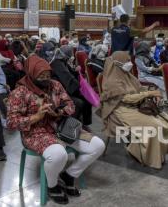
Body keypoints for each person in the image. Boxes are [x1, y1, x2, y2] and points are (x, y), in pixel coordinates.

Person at [7, 55, 105, 204]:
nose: (46, 78)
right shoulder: (20, 92)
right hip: (35, 132)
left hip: (62, 127)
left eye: (48, 74)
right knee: (59, 155)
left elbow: (70, 105)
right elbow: (11, 122)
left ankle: (70, 174)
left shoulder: (55, 85)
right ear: (32, 73)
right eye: (41, 75)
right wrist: (37, 116)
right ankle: (52, 185)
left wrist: (59, 112)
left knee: (98, 146)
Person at [98, 51, 168, 169]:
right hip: (121, 110)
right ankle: (144, 155)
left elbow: (139, 87)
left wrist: (151, 94)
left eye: (129, 60)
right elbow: (126, 99)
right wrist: (149, 93)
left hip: (136, 105)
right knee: (154, 126)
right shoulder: (111, 81)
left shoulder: (127, 75)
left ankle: (158, 154)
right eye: (127, 61)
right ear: (118, 63)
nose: (130, 63)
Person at [40, 43, 93, 126]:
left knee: (86, 98)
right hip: (58, 90)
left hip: (63, 87)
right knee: (79, 102)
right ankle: (69, 125)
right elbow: (67, 79)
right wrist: (79, 89)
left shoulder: (60, 61)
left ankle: (83, 123)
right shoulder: (56, 63)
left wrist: (75, 72)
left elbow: (69, 73)